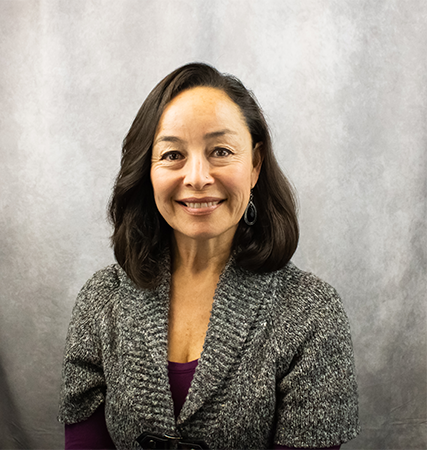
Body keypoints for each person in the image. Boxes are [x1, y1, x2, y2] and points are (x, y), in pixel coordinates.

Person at [58, 63, 360, 450]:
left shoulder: (311, 312)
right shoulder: (100, 300)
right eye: (172, 154)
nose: (197, 177)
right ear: (147, 170)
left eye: (220, 151)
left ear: (255, 164)